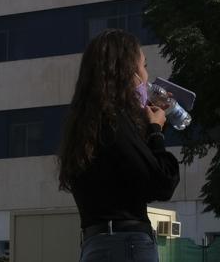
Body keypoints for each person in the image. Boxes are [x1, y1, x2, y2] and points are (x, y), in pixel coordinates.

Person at [57, 29, 180, 262]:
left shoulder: (84, 126)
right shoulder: (115, 123)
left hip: (96, 243)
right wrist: (156, 132)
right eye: (144, 66)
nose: (146, 76)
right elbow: (162, 182)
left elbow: (124, 170)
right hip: (126, 244)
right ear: (129, 73)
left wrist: (148, 127)